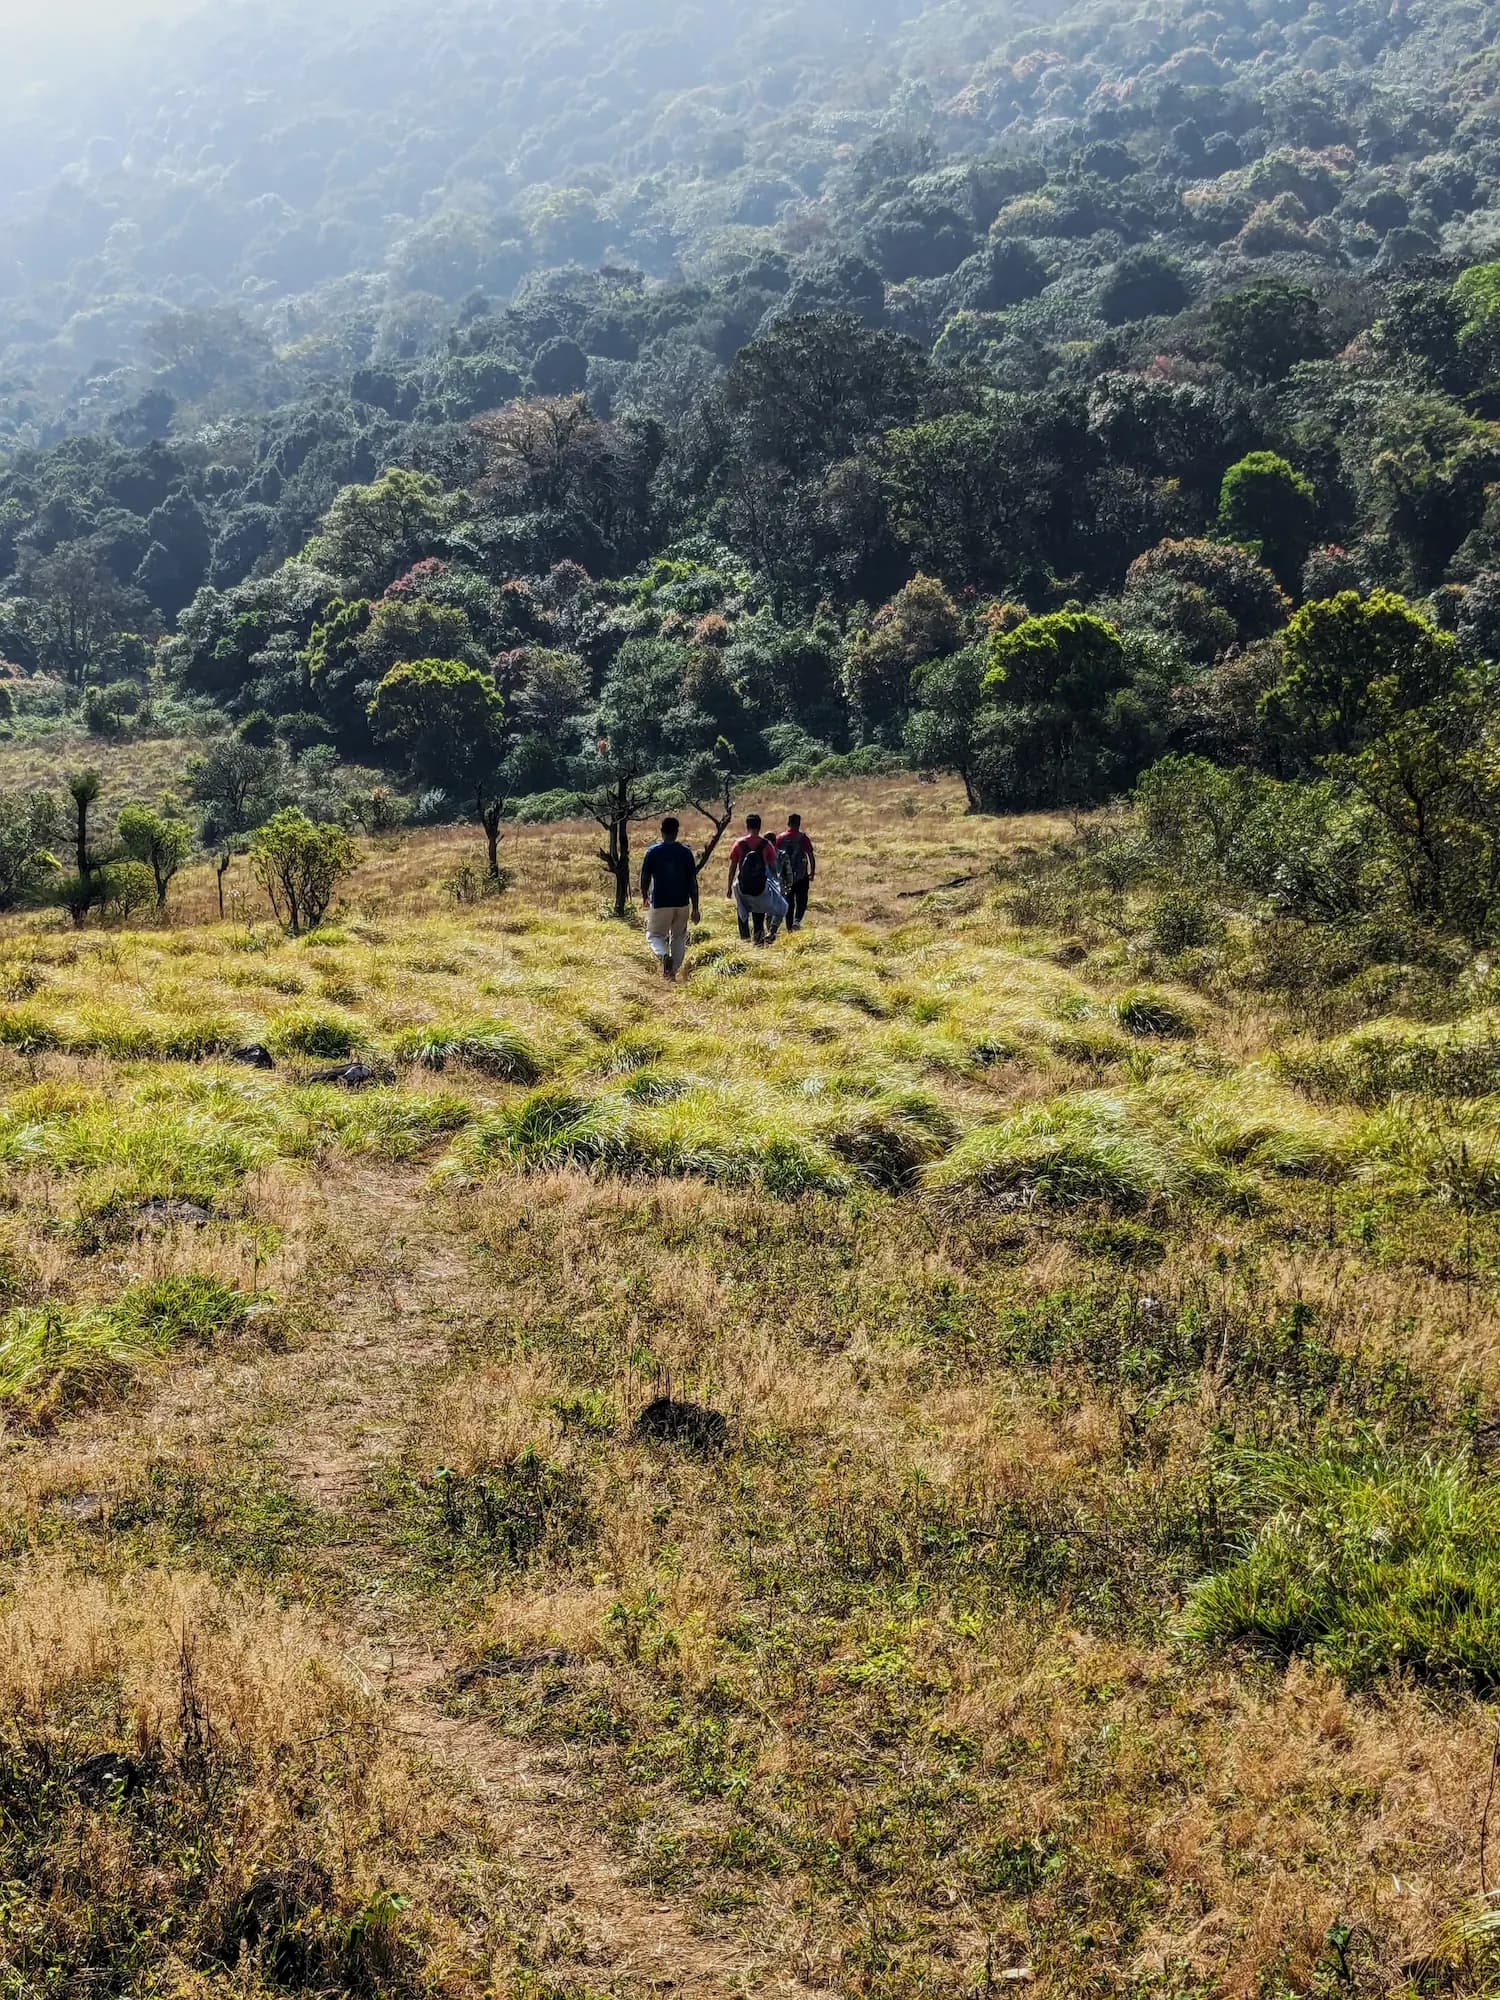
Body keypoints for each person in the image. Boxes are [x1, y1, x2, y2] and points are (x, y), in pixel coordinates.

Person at [639, 815, 700, 981]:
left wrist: (644, 895)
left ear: (661, 831)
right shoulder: (686, 852)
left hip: (661, 902)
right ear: (676, 832)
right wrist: (695, 907)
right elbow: (693, 882)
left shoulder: (652, 852)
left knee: (654, 935)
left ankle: (664, 956)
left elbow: (645, 877)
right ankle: (672, 971)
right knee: (679, 937)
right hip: (682, 902)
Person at [726, 813, 786, 946]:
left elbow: (732, 868)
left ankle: (744, 942)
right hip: (760, 888)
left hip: (742, 887)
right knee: (759, 916)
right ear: (760, 827)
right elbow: (773, 869)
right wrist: (778, 886)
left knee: (742, 913)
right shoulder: (767, 845)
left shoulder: (738, 844)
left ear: (747, 826)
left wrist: (729, 887)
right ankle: (758, 944)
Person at [775, 812, 817, 932]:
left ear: (788, 823)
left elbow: (774, 856)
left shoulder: (780, 838)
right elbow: (810, 855)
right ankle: (797, 920)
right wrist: (812, 872)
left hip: (785, 876)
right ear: (799, 824)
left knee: (789, 902)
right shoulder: (803, 838)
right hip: (801, 875)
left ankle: (789, 929)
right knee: (802, 900)